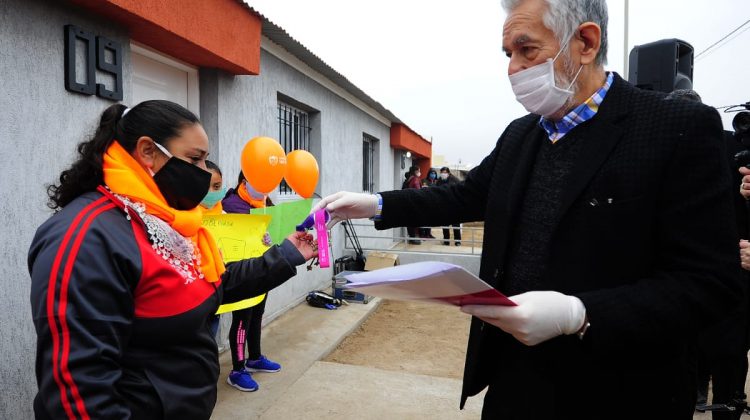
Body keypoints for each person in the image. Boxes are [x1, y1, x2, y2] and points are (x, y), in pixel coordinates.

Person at [312, 0, 744, 417]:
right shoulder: (521, 135)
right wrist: (376, 203)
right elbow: (461, 197)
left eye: (527, 49)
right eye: (508, 53)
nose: (513, 68)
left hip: (620, 390)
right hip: (514, 380)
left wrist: (580, 314)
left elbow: (708, 283)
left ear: (586, 43)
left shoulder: (675, 129)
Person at [29, 100, 317, 419]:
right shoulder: (86, 237)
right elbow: (79, 396)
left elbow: (214, 284)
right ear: (148, 152)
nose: (205, 173)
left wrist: (288, 254)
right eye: (195, 159)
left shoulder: (167, 220)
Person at [667, 89, 749, 419]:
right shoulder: (660, 155)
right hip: (681, 279)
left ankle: (729, 400)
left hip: (732, 273)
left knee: (729, 351)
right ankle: (700, 389)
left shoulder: (731, 152)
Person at [221, 172, 282, 392]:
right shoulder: (230, 204)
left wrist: (270, 237)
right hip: (241, 272)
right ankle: (237, 370)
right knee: (241, 321)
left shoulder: (266, 203)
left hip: (262, 268)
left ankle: (254, 358)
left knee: (256, 315)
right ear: (244, 181)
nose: (266, 189)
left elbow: (274, 230)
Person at [437, 167, 462, 246]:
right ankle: (446, 241)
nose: (443, 174)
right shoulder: (439, 181)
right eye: (442, 172)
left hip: (454, 205)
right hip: (444, 205)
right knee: (445, 225)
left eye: (445, 172)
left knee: (456, 225)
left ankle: (457, 241)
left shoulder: (454, 180)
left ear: (448, 173)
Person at [402, 165, 423, 245]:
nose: (419, 172)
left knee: (410, 221)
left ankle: (412, 237)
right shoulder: (415, 179)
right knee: (413, 221)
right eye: (418, 170)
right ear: (415, 171)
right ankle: (413, 238)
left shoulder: (408, 179)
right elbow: (417, 191)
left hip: (408, 201)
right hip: (413, 202)